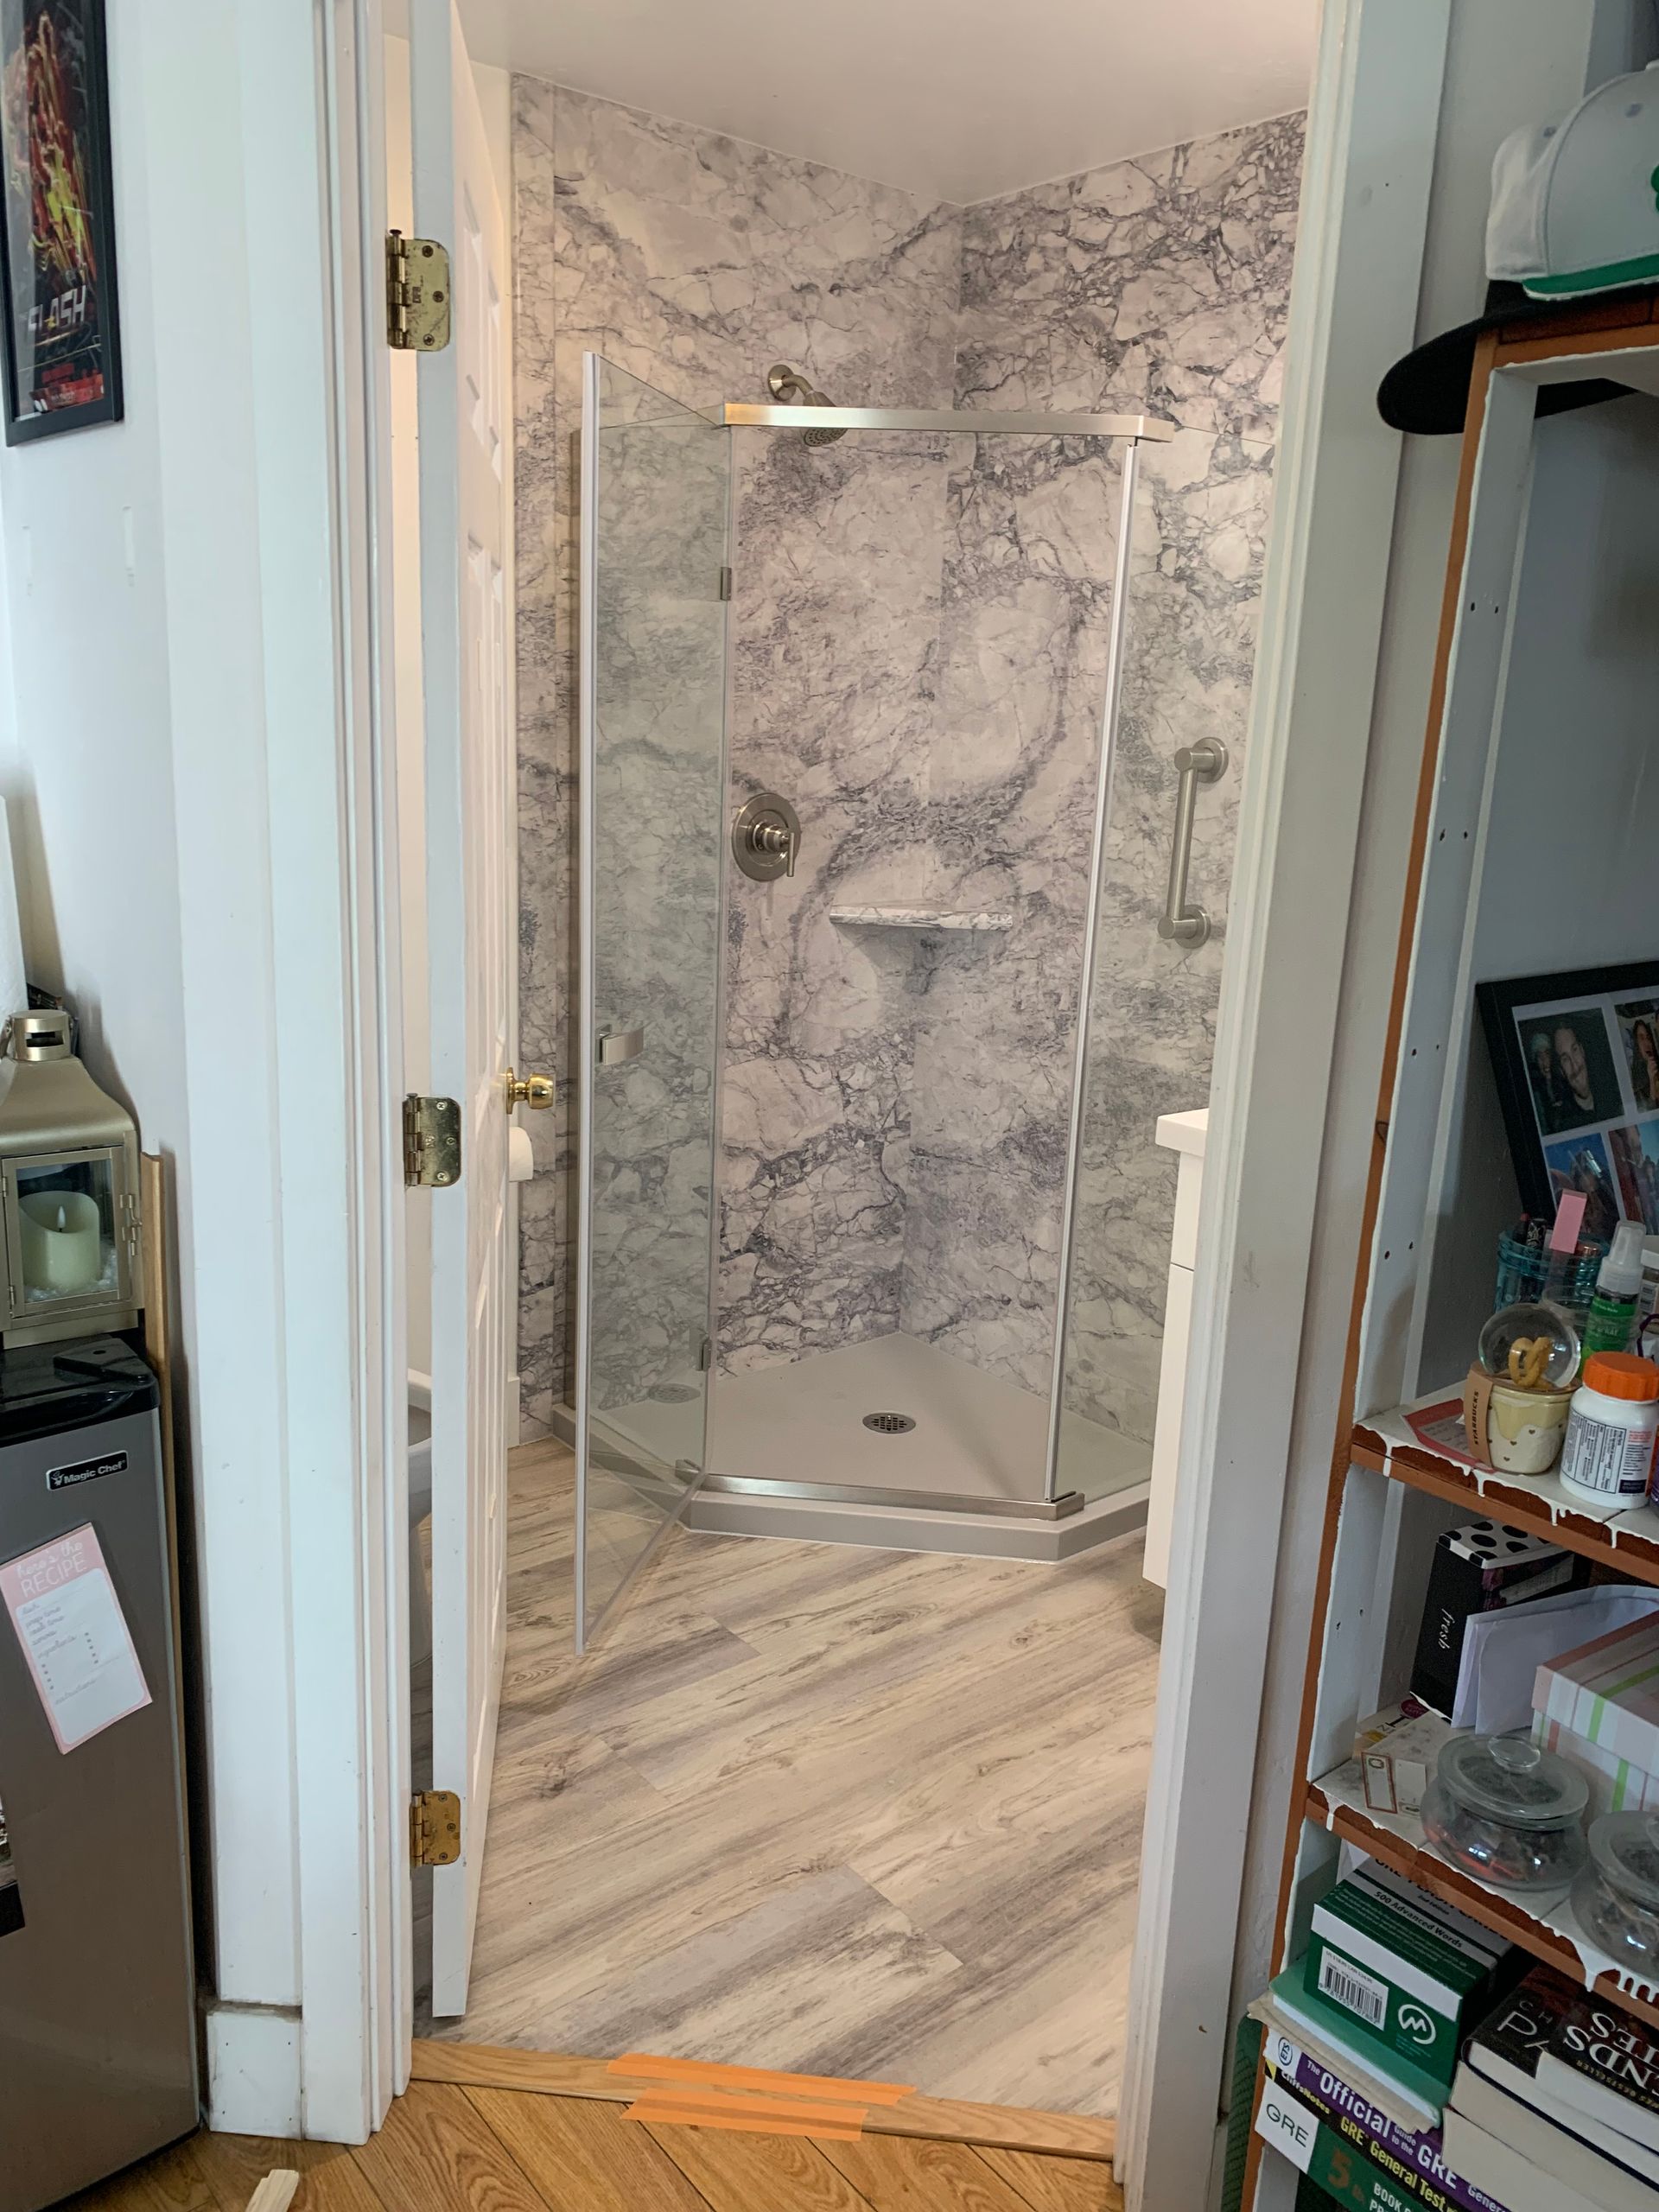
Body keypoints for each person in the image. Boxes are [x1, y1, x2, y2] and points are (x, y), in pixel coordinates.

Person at [1552, 1021, 1599, 1125]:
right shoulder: (1566, 1123)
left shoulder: (1612, 1094)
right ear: (1561, 1071)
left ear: (1582, 1051)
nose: (1575, 1066)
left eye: (1575, 1050)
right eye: (1565, 1059)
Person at [1630, 1017, 1659, 1112]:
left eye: (1648, 1038)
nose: (1647, 1043)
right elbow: (1647, 1113)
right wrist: (1652, 1079)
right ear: (1637, 1046)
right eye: (1642, 1038)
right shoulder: (1637, 1079)